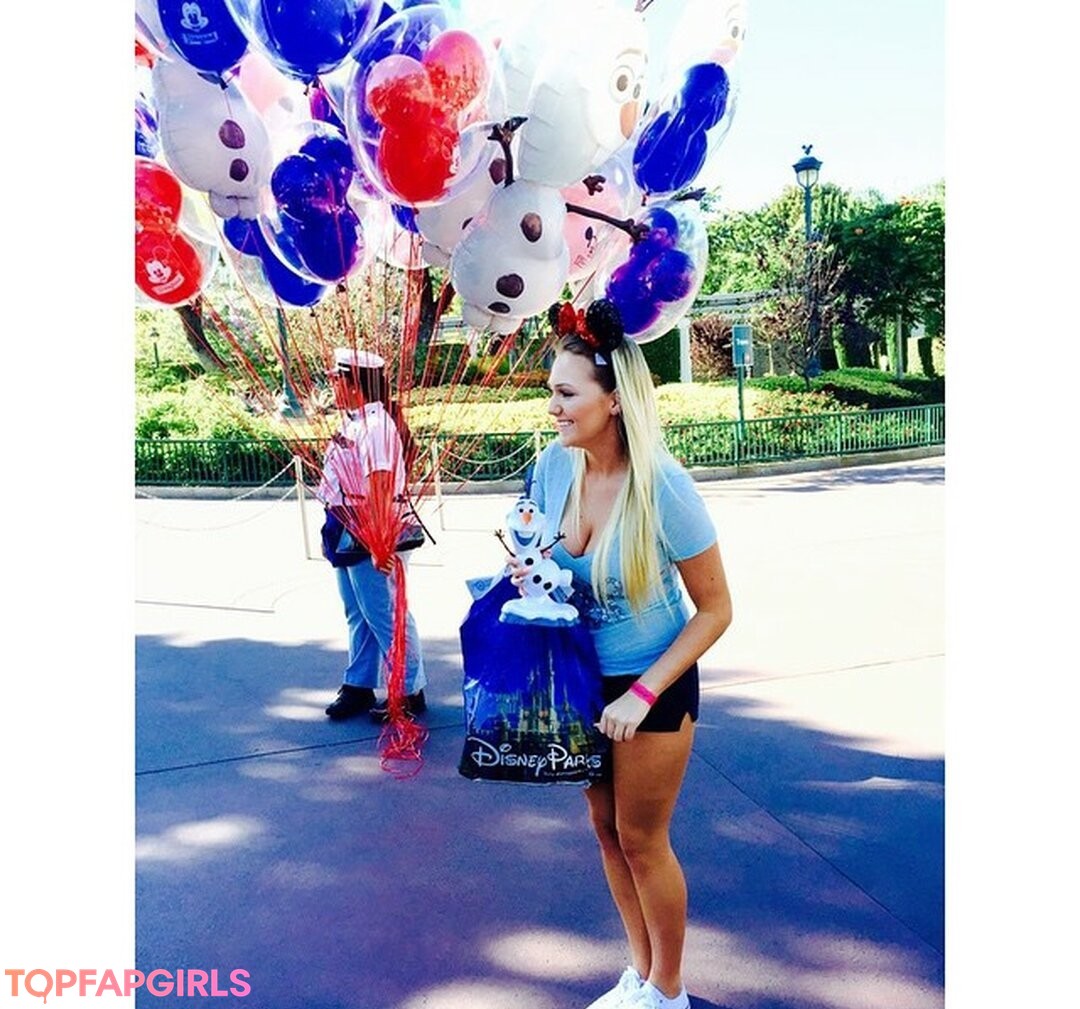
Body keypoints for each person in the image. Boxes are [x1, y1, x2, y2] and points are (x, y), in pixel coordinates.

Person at [513, 302, 733, 1009]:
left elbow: (716, 609)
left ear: (613, 400)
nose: (552, 406)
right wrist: (529, 573)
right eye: (550, 391)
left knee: (642, 837)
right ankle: (640, 974)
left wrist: (643, 694)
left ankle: (669, 990)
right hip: (580, 679)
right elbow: (544, 558)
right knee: (605, 830)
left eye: (565, 392)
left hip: (652, 684)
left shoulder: (663, 486)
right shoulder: (553, 468)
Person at [318, 347, 427, 723]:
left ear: (353, 383)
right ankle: (359, 683)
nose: (331, 384)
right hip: (345, 525)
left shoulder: (377, 426)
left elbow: (379, 484)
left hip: (371, 526)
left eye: (336, 378)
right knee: (357, 610)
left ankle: (409, 689)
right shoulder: (355, 420)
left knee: (384, 612)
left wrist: (380, 543)